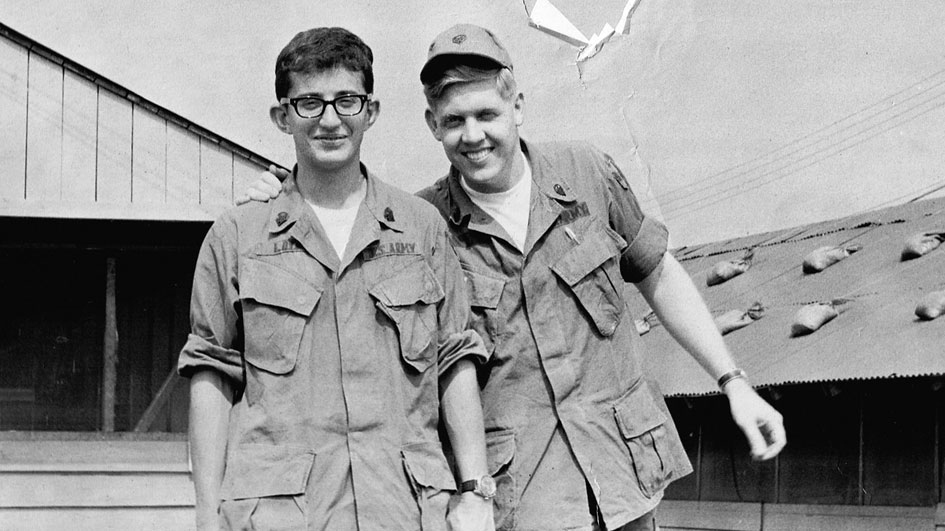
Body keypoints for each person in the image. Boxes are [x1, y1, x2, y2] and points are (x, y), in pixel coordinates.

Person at [245, 23, 786, 531]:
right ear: (433, 125)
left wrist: (733, 383)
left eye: (486, 114)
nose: (473, 136)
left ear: (517, 105)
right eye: (454, 121)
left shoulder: (587, 174)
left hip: (626, 479)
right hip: (523, 501)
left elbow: (659, 277)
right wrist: (280, 201)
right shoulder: (420, 227)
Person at [179, 27, 495, 531]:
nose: (330, 120)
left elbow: (454, 360)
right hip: (280, 514)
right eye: (309, 103)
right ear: (282, 117)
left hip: (407, 509)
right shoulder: (238, 235)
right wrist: (205, 514)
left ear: (370, 111)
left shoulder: (420, 227)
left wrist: (476, 492)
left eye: (347, 100)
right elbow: (210, 371)